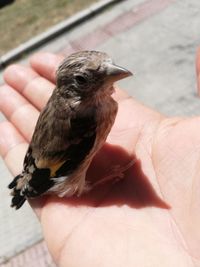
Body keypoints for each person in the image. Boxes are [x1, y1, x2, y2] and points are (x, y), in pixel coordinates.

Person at [0, 51, 200, 266]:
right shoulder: (82, 122)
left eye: (109, 66)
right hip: (50, 173)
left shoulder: (96, 108)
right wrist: (110, 177)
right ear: (68, 91)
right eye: (83, 80)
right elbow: (60, 168)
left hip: (40, 162)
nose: (114, 73)